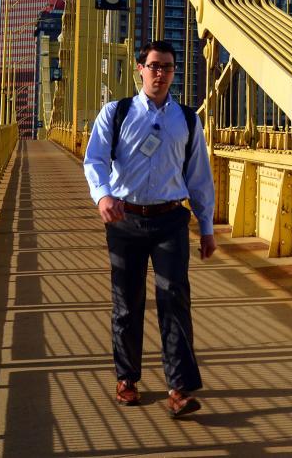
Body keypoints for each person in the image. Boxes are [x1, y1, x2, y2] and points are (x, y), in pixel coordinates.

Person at [83, 40, 216, 417]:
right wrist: (102, 196)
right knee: (127, 302)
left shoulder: (188, 119)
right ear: (140, 68)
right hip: (125, 219)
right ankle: (127, 379)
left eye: (168, 67)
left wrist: (206, 227)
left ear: (174, 73)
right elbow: (93, 160)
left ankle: (179, 389)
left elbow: (199, 177)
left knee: (175, 300)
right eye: (154, 66)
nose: (161, 73)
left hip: (171, 219)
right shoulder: (116, 112)